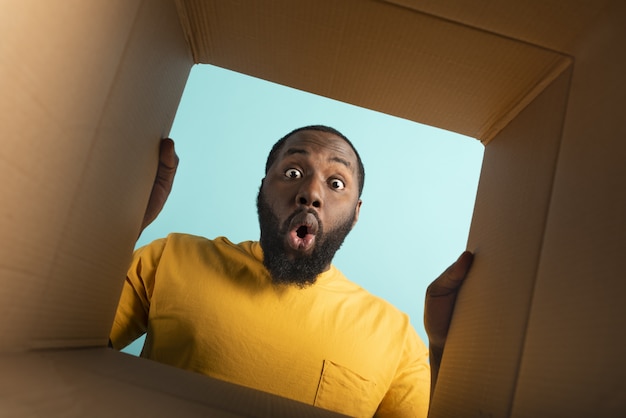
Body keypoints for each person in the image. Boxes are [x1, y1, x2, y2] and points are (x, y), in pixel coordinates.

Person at [110, 126, 473, 417]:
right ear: (262, 189)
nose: (311, 193)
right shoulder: (171, 257)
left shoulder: (396, 337)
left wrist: (442, 349)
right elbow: (62, 347)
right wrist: (124, 227)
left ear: (356, 212)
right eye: (293, 172)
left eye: (336, 183)